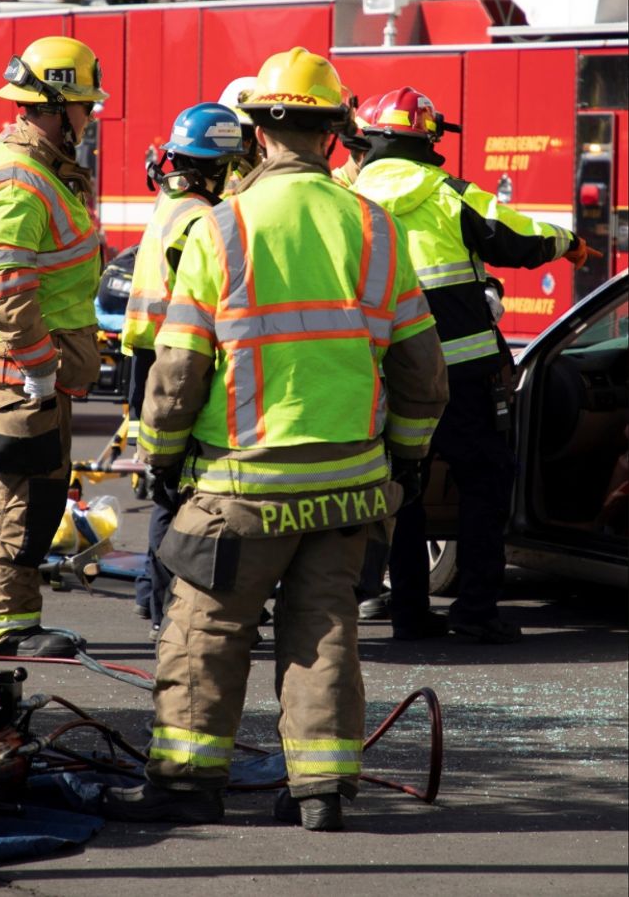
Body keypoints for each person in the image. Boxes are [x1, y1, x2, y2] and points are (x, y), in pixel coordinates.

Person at [104, 47, 448, 831]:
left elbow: (178, 371)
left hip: (241, 489)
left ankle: (187, 785)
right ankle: (321, 789)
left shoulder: (222, 229)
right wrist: (408, 453)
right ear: (333, 134)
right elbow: (423, 368)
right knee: (326, 633)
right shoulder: (374, 226)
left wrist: (159, 456)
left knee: (205, 633)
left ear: (259, 132)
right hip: (348, 487)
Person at [352, 87, 599, 643]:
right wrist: (571, 243)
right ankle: (476, 613)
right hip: (460, 377)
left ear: (369, 141)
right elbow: (518, 240)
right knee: (485, 482)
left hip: (381, 375)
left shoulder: (346, 197)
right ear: (429, 140)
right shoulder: (447, 193)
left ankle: (410, 614)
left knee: (403, 489)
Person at [0, 36, 107, 658]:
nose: (89, 118)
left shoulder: (35, 165)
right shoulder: (20, 177)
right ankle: (5, 622)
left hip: (32, 359)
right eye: (84, 107)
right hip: (21, 363)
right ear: (54, 106)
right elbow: (6, 285)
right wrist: (40, 366)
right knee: (28, 492)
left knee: (15, 485)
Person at [123, 102, 244, 636]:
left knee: (163, 483)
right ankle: (167, 606)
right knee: (180, 492)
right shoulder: (200, 217)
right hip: (173, 359)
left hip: (147, 357)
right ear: (216, 166)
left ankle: (150, 598)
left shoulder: (172, 203)